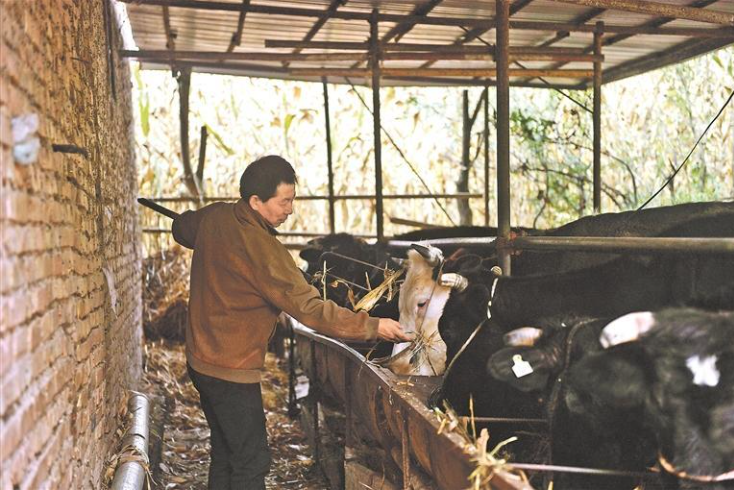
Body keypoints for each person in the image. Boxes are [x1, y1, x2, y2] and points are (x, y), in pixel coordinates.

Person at [171, 155, 412, 490]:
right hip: (230, 369)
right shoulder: (265, 250)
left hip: (201, 360)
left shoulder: (216, 216)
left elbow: (181, 228)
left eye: (292, 200)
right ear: (256, 202)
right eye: (284, 202)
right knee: (251, 461)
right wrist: (373, 326)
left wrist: (197, 225)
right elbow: (311, 310)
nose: (290, 210)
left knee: (226, 452)